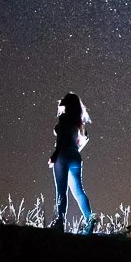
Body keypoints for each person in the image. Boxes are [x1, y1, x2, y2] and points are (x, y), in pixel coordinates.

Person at [48, 91, 93, 232]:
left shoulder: (64, 118)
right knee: (79, 191)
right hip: (75, 155)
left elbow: (61, 138)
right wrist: (74, 150)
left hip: (63, 154)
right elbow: (85, 139)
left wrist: (55, 154)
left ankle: (60, 222)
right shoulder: (78, 121)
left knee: (61, 190)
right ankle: (90, 220)